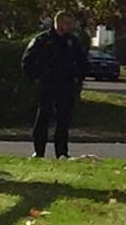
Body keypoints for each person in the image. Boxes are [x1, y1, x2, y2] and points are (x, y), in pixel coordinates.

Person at [22, 11, 87, 159]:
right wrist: (36, 79)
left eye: (71, 24)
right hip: (47, 85)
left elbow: (82, 63)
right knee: (43, 117)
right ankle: (39, 152)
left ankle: (62, 152)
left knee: (63, 120)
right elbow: (27, 61)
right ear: (58, 23)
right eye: (67, 24)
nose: (70, 27)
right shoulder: (42, 40)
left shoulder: (72, 42)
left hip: (66, 86)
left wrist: (78, 80)